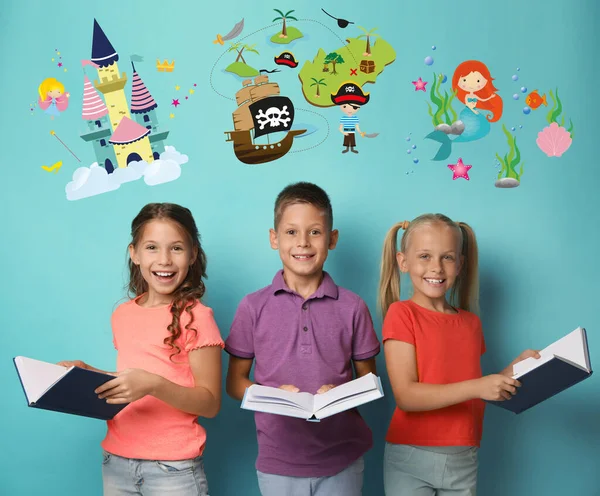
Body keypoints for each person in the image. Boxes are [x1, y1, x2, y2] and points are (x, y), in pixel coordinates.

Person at [225, 181, 381, 496]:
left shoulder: (353, 307)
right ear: (274, 238)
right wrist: (274, 397)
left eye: (315, 232)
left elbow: (371, 381)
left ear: (332, 239)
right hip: (277, 461)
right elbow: (234, 383)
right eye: (292, 232)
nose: (303, 243)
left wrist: (338, 393)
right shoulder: (252, 306)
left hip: (342, 460)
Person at [59, 203, 223, 496]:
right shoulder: (122, 314)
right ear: (134, 253)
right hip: (116, 462)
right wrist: (89, 374)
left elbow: (210, 403)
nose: (164, 260)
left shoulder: (197, 316)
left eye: (176, 248)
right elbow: (132, 379)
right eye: (151, 247)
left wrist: (153, 385)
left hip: (173, 470)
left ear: (193, 254)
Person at [379, 214, 539, 495]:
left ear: (460, 264)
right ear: (403, 262)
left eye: (448, 258)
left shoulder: (471, 323)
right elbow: (406, 395)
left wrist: (512, 371)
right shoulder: (401, 314)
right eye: (425, 256)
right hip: (411, 455)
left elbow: (475, 387)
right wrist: (480, 385)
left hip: (464, 457)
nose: (437, 268)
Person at [331, 81, 370, 154]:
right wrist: (343, 132)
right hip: (346, 131)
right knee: (346, 141)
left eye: (354, 107)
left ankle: (352, 149)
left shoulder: (355, 118)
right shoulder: (343, 118)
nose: (349, 110)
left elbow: (357, 126)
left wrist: (360, 132)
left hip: (352, 131)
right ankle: (347, 148)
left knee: (352, 141)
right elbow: (340, 127)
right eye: (345, 106)